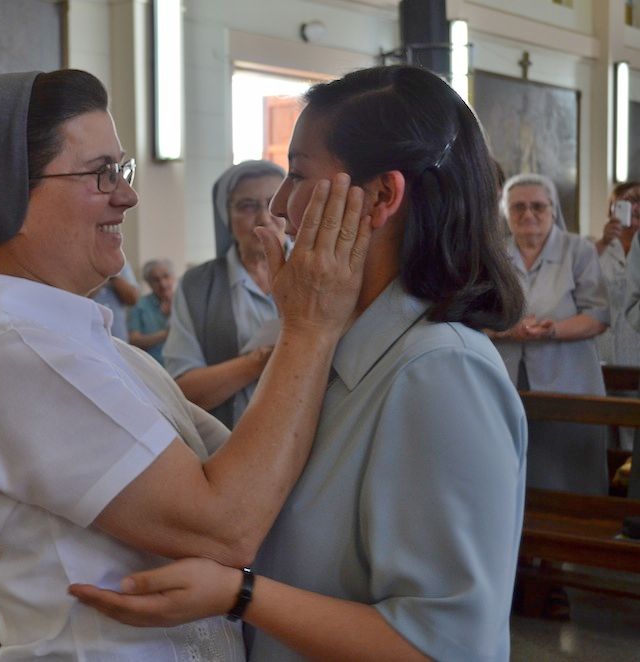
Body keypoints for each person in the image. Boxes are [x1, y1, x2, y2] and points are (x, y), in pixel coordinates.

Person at [0, 69, 374, 659]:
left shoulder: (95, 346)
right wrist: (309, 327)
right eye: (100, 174)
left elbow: (252, 475)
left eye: (122, 169)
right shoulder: (14, 354)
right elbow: (227, 526)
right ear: (4, 195)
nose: (127, 195)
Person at [70, 64, 528, 662]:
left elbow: (444, 646)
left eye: (298, 174)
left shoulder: (441, 371)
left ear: (382, 197)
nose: (281, 206)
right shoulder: (343, 350)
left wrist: (241, 595)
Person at [490, 173, 610, 495]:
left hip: (570, 380)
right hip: (508, 380)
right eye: (518, 207)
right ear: (505, 212)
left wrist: (552, 330)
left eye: (538, 206)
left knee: (572, 475)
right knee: (514, 472)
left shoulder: (578, 250)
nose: (528, 214)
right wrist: (508, 329)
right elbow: (477, 315)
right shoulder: (495, 254)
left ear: (553, 210)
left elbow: (598, 316)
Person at [164, 160, 286, 427]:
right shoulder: (197, 285)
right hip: (229, 439)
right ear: (226, 217)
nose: (264, 218)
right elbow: (183, 390)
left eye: (274, 203)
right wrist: (258, 361)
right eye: (247, 206)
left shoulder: (318, 272)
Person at [595, 182, 640, 370]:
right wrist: (603, 243)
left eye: (638, 202)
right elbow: (575, 277)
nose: (634, 209)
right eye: (625, 204)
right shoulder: (596, 249)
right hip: (602, 347)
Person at [128, 258, 175, 364]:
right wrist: (166, 334)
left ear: (173, 278)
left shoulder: (184, 302)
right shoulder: (140, 306)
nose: (162, 284)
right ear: (148, 283)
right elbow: (134, 341)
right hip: (152, 366)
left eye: (166, 276)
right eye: (156, 280)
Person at [91, 262, 140, 341]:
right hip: (91, 338)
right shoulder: (82, 262)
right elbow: (81, 295)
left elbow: (133, 299)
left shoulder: (122, 263)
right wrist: (102, 274)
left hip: (118, 337)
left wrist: (113, 275)